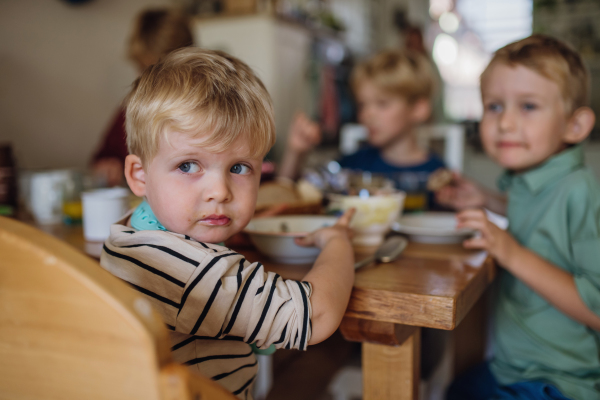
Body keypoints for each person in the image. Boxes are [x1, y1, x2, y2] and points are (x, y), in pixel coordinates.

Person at [99, 48, 356, 398]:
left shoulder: (131, 231)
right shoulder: (190, 272)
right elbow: (317, 316)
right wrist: (338, 241)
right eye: (188, 165)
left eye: (238, 168)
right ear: (139, 175)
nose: (219, 192)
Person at [441, 35, 600, 400]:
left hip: (559, 382)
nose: (506, 123)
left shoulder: (579, 191)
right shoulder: (529, 180)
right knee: (456, 389)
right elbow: (538, 219)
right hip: (512, 368)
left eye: (528, 106)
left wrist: (510, 252)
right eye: (494, 106)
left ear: (574, 126)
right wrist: (486, 199)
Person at [279, 49, 444, 209]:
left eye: (382, 103)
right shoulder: (352, 166)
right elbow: (288, 199)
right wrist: (295, 152)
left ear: (418, 109)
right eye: (362, 105)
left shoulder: (439, 175)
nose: (367, 115)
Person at [91, 8, 194, 187]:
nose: (154, 82)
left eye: (165, 72)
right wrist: (108, 164)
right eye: (145, 70)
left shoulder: (208, 108)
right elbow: (105, 155)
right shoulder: (131, 109)